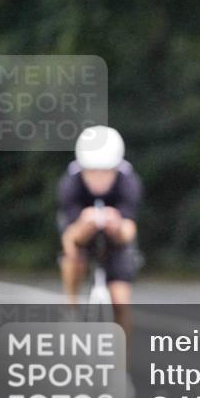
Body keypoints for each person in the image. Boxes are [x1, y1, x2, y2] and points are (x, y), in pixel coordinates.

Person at [57, 125, 143, 344]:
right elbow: (69, 238)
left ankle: (123, 364)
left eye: (106, 172)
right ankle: (71, 306)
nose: (98, 178)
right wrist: (85, 226)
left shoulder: (128, 182)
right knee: (72, 259)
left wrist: (116, 227)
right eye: (92, 171)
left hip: (116, 243)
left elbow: (129, 232)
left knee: (121, 300)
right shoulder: (71, 184)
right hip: (81, 237)